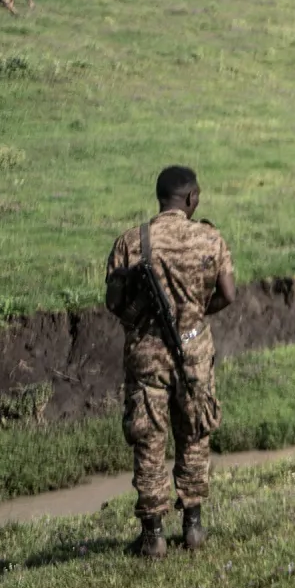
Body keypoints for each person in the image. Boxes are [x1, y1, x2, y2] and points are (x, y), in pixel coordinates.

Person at [104, 166, 235, 558]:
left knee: (149, 440)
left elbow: (113, 302)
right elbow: (228, 294)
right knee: (195, 433)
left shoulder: (132, 242)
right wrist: (194, 317)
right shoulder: (211, 238)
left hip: (147, 357)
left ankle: (153, 535)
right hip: (194, 354)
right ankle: (193, 526)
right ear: (191, 198)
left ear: (160, 197)